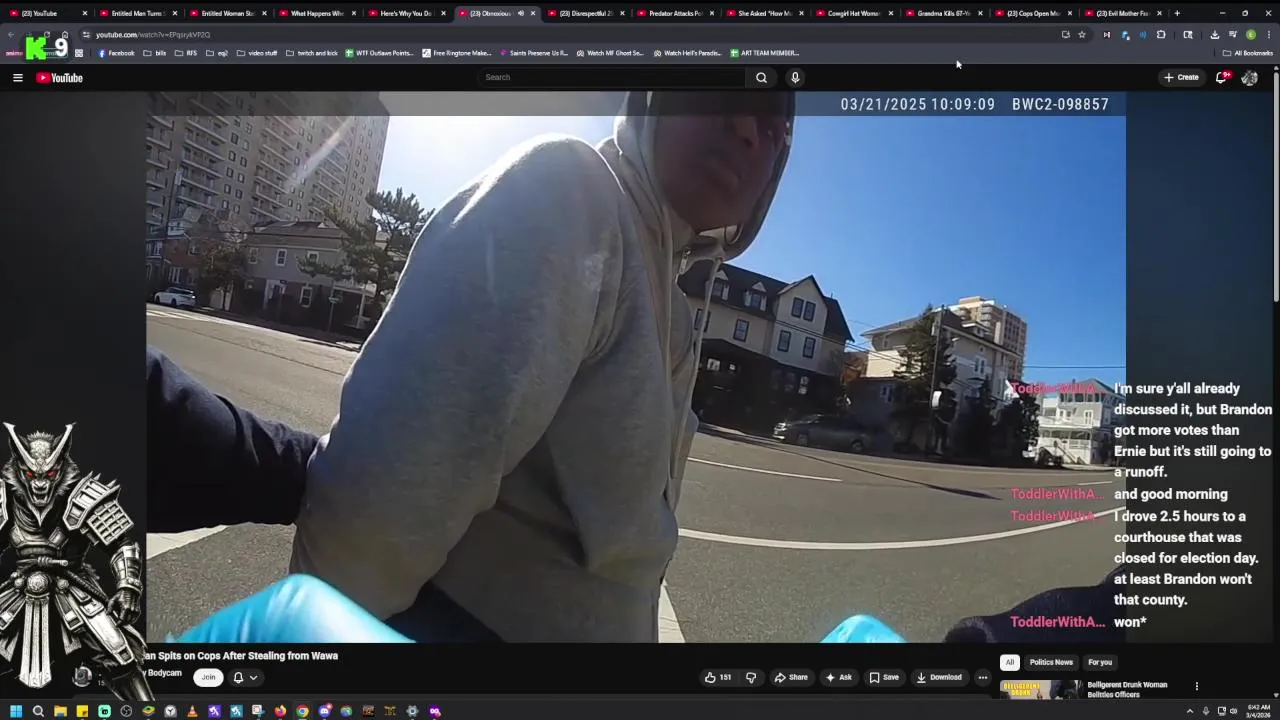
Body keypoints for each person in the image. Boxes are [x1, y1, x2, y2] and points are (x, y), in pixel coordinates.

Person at [287, 91, 796, 642]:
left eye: (774, 128)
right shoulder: (572, 195)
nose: (748, 128)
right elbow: (381, 498)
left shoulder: (671, 309)